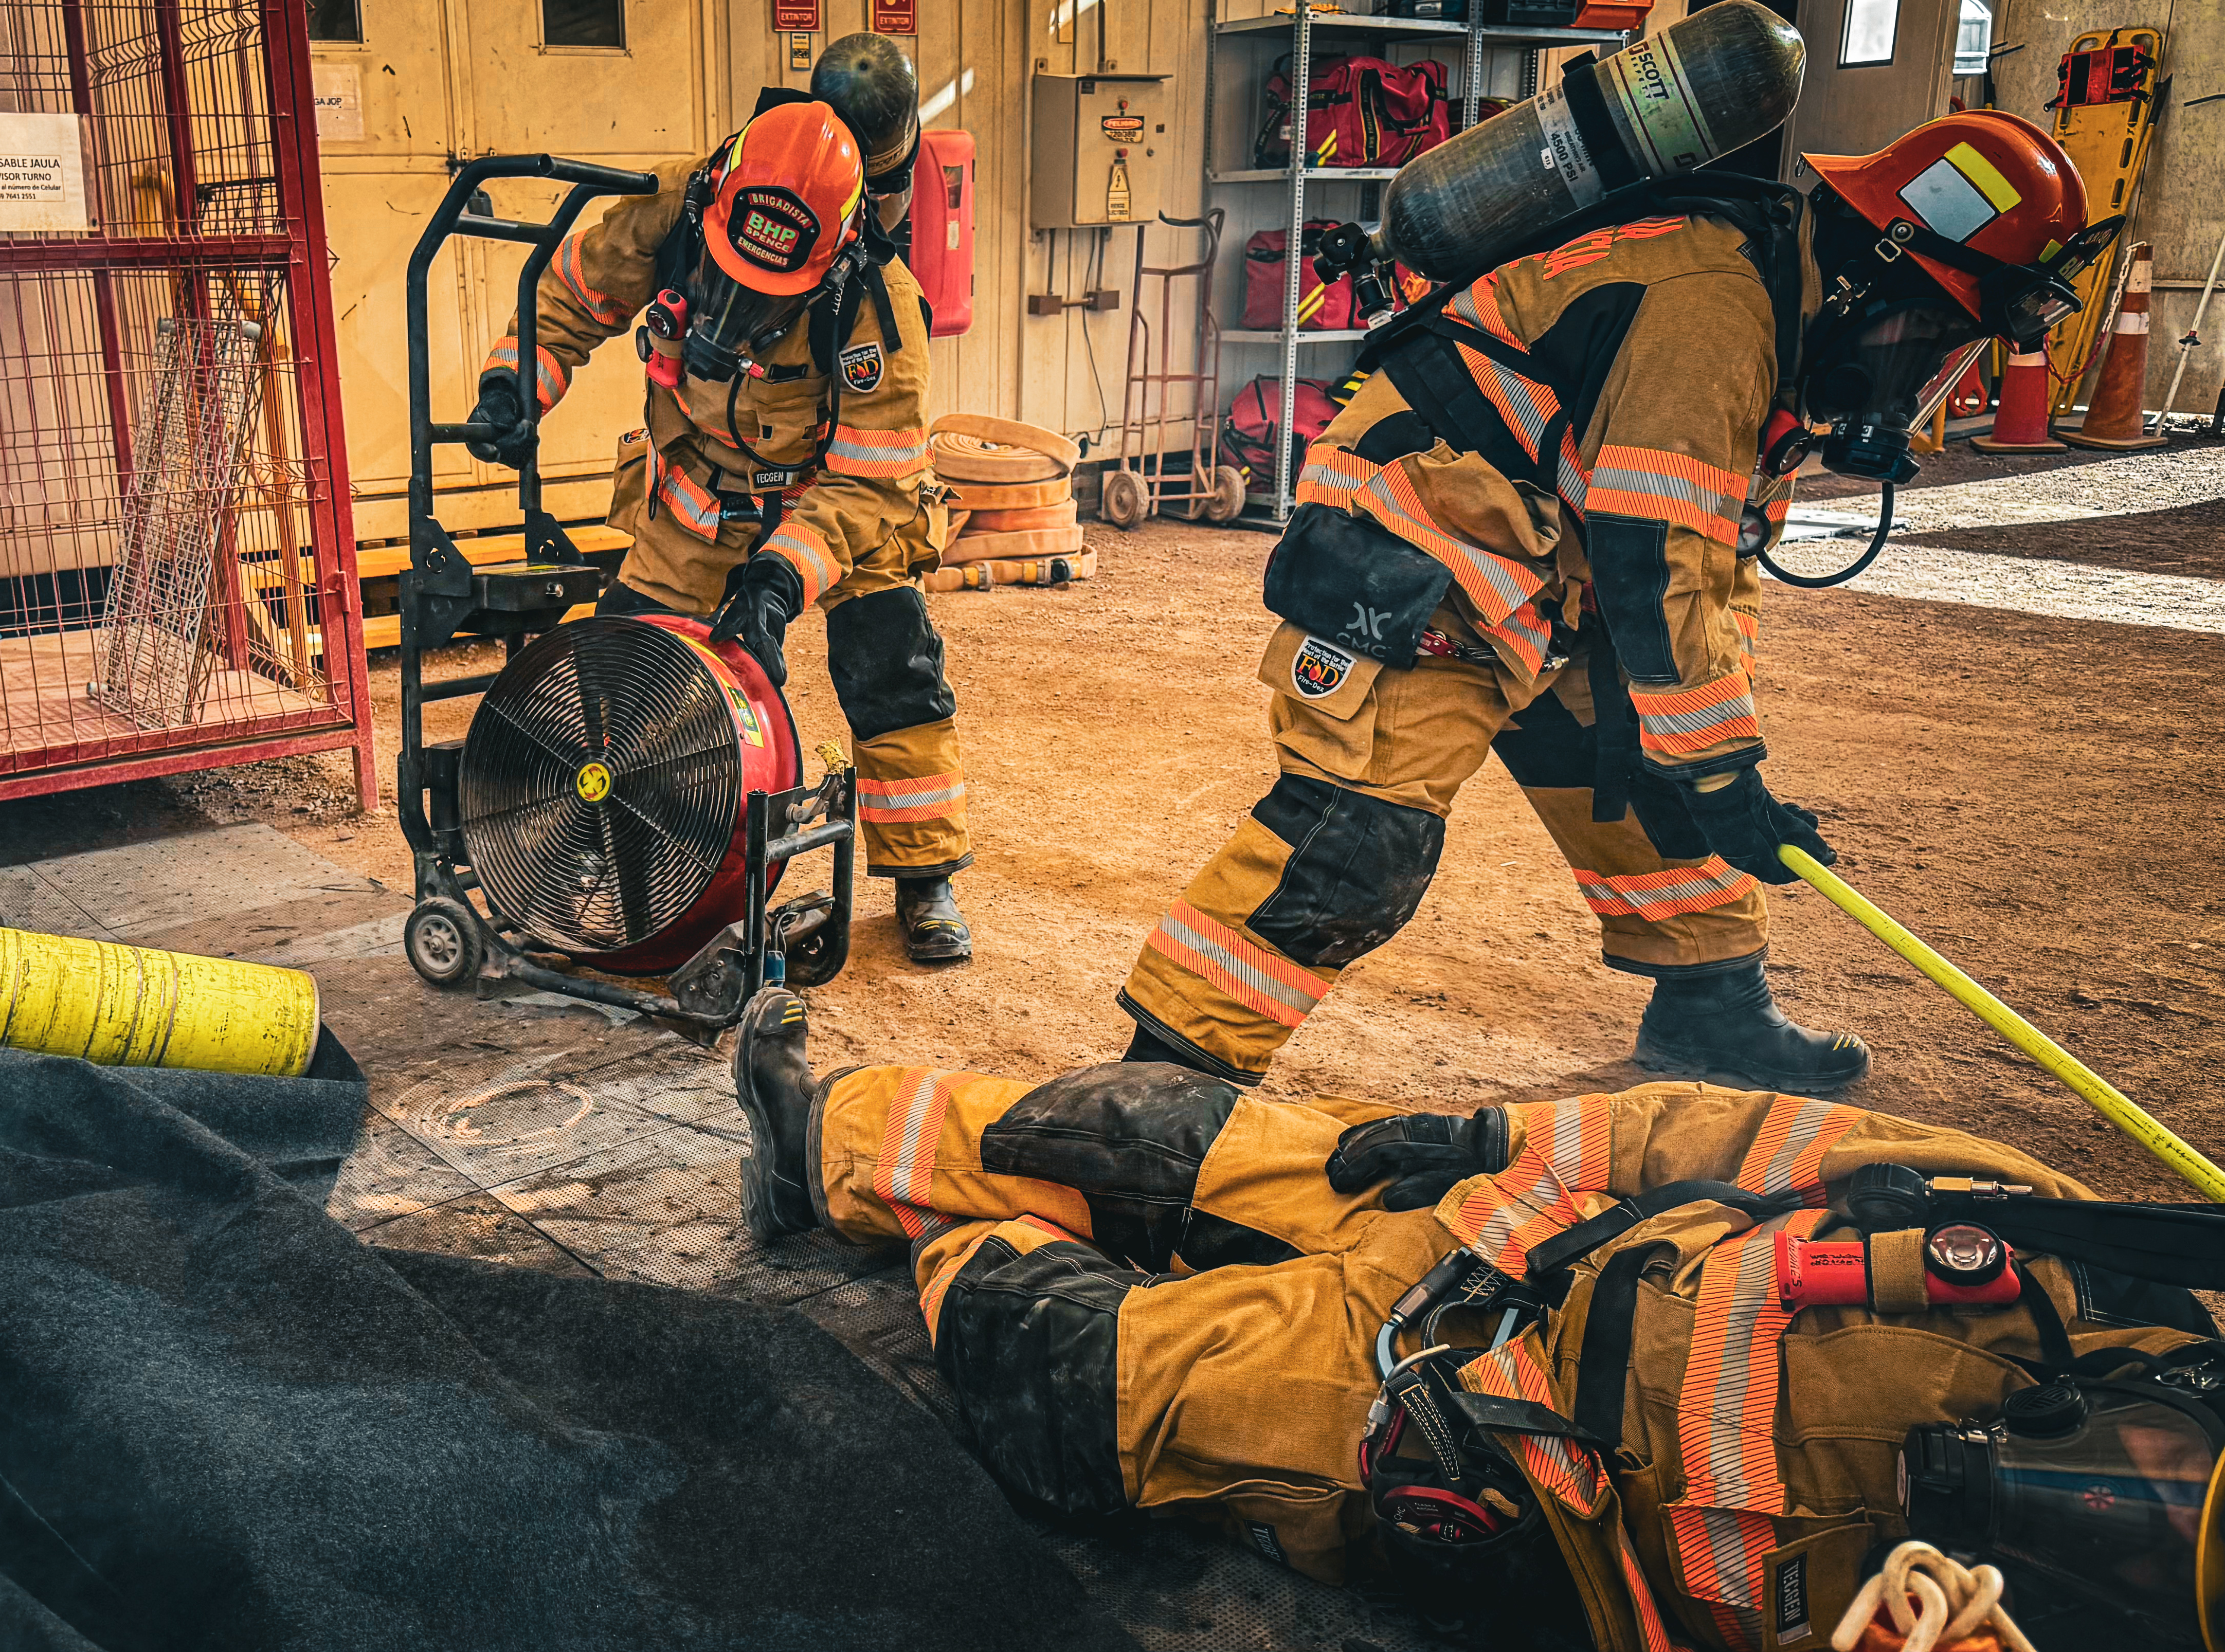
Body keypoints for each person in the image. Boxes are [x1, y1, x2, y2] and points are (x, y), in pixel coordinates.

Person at [729, 983, 2223, 1652]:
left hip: (1447, 1445)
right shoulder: (2073, 1250)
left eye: (2160, 1552)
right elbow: (1739, 1132)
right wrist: (1490, 1133)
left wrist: (1510, 1569)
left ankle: (943, 1228)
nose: (2121, 1507)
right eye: (2166, 1471)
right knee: (1145, 1129)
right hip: (1504, 1227)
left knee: (1058, 1366)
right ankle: (819, 1143)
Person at [1113, 112, 2120, 1093]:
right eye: (1930, 331)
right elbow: (1655, 554)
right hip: (1421, 540)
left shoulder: (1784, 310)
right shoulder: (1717, 308)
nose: (1921, 367)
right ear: (1877, 268)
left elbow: (1713, 566)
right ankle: (1160, 1086)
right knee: (1358, 840)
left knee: (1658, 762)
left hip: (1552, 557)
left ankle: (1712, 1009)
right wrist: (1722, 767)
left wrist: (1718, 759)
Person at [463, 50, 978, 966]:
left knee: (891, 669)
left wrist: (778, 583)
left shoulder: (880, 306)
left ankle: (924, 875)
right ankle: (607, 860)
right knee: (622, 685)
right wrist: (514, 386)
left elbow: (869, 482)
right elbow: (571, 294)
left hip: (829, 505)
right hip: (697, 496)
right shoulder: (675, 206)